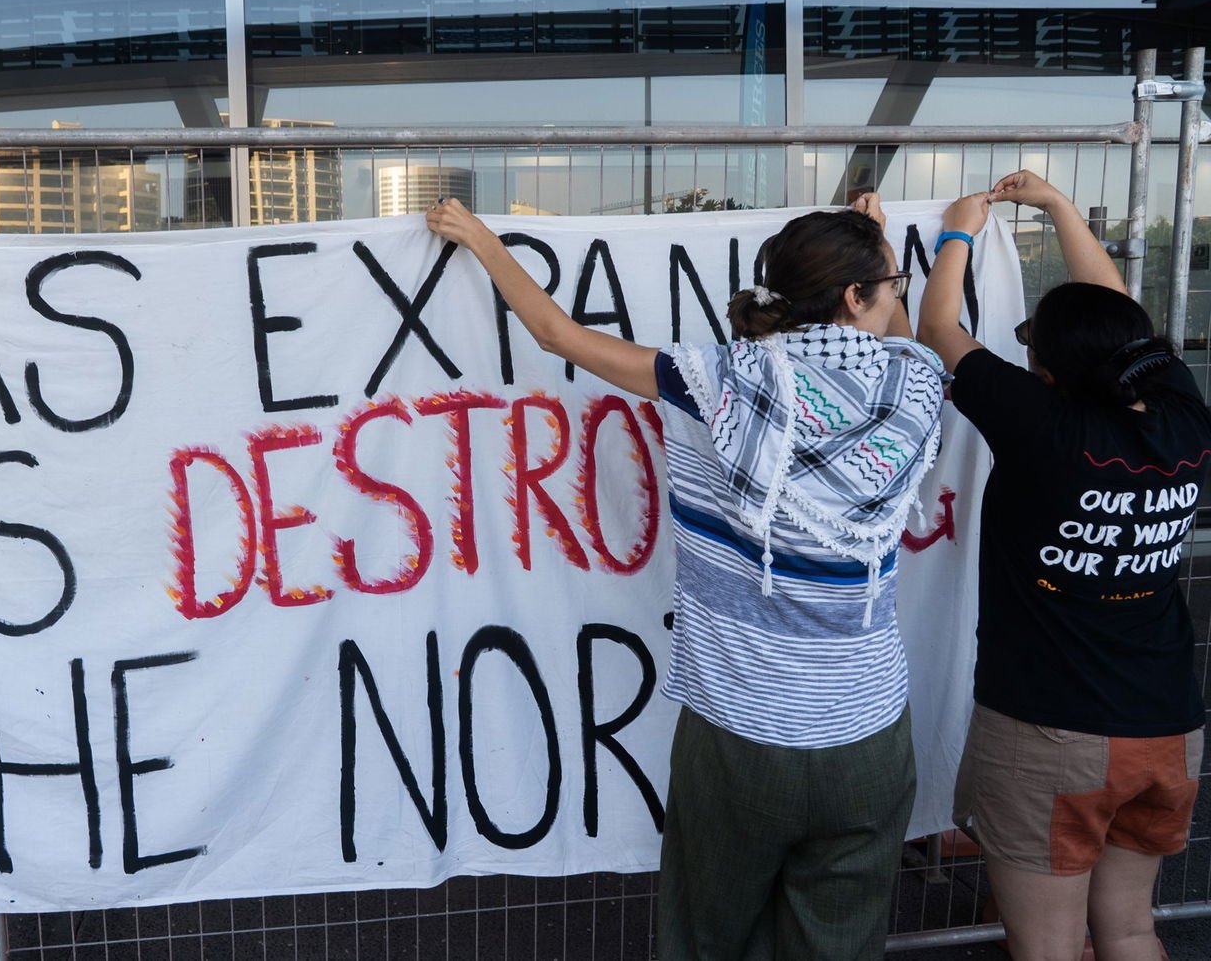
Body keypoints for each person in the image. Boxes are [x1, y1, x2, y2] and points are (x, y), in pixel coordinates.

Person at [425, 194, 946, 960]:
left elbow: (556, 333)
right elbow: (900, 343)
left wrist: (480, 238)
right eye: (893, 283)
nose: (899, 294)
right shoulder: (918, 384)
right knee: (840, 939)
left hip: (739, 733)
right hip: (866, 735)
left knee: (708, 934)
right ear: (857, 297)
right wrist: (873, 244)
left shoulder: (716, 380)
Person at [918, 171, 1210, 961]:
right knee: (1129, 930)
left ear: (1047, 368)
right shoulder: (1184, 417)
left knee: (1047, 945)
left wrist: (956, 232)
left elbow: (937, 326)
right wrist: (1057, 209)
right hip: (1167, 727)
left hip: (1051, 732)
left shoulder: (1040, 426)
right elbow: (1124, 322)